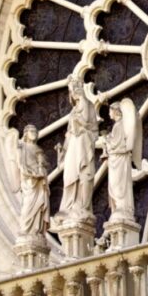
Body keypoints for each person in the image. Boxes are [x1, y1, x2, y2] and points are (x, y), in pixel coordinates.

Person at [57, 74, 99, 221]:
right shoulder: (72, 112)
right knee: (69, 176)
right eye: (71, 90)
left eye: (75, 89)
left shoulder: (88, 106)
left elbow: (88, 122)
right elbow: (69, 134)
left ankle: (81, 206)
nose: (73, 92)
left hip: (84, 143)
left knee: (84, 173)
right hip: (73, 146)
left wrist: (82, 99)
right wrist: (62, 152)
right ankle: (69, 206)